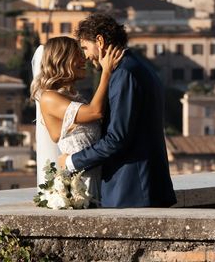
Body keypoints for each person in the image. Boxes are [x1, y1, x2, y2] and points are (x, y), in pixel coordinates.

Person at [58, 13, 176, 208]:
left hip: (131, 190)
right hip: (141, 186)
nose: (86, 57)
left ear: (100, 41)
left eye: (86, 48)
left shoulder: (124, 74)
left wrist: (72, 162)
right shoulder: (138, 66)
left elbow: (117, 138)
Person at [30, 36, 124, 203]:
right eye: (78, 55)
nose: (84, 59)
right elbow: (95, 112)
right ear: (61, 59)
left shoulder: (75, 97)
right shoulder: (49, 98)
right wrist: (106, 73)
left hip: (100, 181)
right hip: (82, 185)